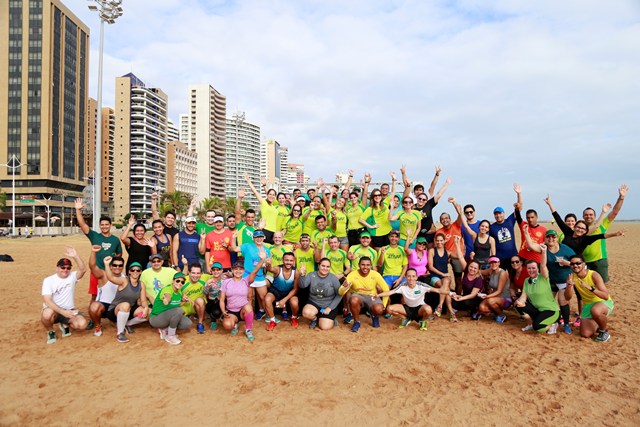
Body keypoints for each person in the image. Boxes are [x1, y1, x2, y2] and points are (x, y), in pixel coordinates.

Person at [522, 225, 576, 333]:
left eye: (553, 237)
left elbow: (577, 262)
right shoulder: (544, 248)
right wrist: (526, 233)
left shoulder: (565, 248)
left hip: (563, 280)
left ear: (557, 238)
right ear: (545, 239)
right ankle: (551, 321)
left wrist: (567, 263)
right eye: (548, 237)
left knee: (562, 300)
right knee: (546, 302)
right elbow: (532, 245)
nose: (551, 239)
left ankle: (566, 324)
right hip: (550, 280)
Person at [74, 198, 122, 306]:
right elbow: (83, 225)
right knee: (95, 295)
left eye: (107, 224)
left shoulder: (115, 240)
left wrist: (113, 264)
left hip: (110, 272)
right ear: (100, 225)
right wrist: (78, 210)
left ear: (110, 225)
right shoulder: (95, 236)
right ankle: (93, 318)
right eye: (102, 225)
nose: (104, 226)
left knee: (112, 294)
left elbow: (119, 254)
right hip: (96, 271)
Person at [41, 246, 88, 344]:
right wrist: (62, 312)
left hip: (69, 310)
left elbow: (83, 270)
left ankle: (64, 324)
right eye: (62, 267)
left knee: (82, 324)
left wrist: (76, 256)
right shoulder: (49, 280)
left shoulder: (72, 276)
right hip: (54, 310)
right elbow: (47, 300)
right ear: (57, 268)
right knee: (46, 315)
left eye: (68, 268)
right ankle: (50, 331)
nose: (65, 270)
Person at [582, 184, 628, 282]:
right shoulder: (580, 228)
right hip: (584, 262)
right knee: (586, 286)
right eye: (586, 215)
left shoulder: (602, 224)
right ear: (583, 216)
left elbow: (615, 212)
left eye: (591, 215)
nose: (588, 216)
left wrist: (621, 197)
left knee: (602, 285)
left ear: (594, 216)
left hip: (600, 260)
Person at [564, 255, 614, 342]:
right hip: (588, 305)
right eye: (572, 264)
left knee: (595, 311)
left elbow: (605, 296)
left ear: (583, 264)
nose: (575, 265)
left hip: (602, 302)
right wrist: (569, 286)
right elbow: (567, 298)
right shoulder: (571, 277)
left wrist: (591, 288)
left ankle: (604, 331)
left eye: (578, 263)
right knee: (585, 334)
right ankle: (598, 323)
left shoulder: (593, 275)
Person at [513, 244, 560, 334]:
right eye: (529, 268)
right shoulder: (527, 280)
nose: (531, 270)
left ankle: (553, 324)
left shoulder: (543, 277)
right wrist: (520, 302)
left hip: (551, 310)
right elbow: (523, 296)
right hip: (538, 310)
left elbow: (543, 265)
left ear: (538, 269)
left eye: (533, 268)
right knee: (517, 304)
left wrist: (544, 251)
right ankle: (530, 323)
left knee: (538, 327)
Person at [220, 256, 267, 342]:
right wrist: (223, 311)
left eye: (240, 269)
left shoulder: (246, 280)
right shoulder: (226, 282)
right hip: (231, 311)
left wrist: (262, 259)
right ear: (232, 270)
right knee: (227, 325)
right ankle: (235, 324)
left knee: (248, 307)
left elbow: (255, 270)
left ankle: (248, 329)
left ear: (243, 270)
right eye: (236, 269)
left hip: (243, 310)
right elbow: (222, 299)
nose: (238, 271)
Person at [228, 229, 271, 320]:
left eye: (260, 237)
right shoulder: (247, 246)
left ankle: (262, 311)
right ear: (253, 238)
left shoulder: (267, 250)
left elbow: (268, 264)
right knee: (249, 297)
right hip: (247, 275)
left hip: (259, 276)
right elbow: (235, 249)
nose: (258, 239)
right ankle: (248, 314)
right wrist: (233, 238)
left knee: (263, 296)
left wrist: (266, 262)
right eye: (256, 237)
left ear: (263, 238)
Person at [103, 256, 148, 343]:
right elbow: (111, 278)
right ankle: (120, 333)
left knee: (148, 312)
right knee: (125, 305)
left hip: (129, 310)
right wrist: (106, 265)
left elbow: (143, 300)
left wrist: (145, 308)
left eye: (138, 270)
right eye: (132, 270)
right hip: (115, 310)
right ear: (129, 271)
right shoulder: (124, 281)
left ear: (141, 272)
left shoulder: (141, 284)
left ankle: (127, 324)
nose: (135, 272)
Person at [339, 257, 390, 332]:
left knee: (379, 309)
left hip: (371, 296)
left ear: (371, 265)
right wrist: (344, 287)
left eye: (368, 265)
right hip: (358, 295)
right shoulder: (352, 275)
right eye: (363, 264)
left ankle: (374, 316)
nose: (365, 267)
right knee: (353, 300)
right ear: (358, 265)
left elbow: (386, 289)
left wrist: (384, 305)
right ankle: (356, 322)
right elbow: (340, 292)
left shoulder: (376, 274)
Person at [149, 272, 193, 345]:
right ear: (173, 280)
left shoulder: (179, 292)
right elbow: (168, 297)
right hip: (156, 318)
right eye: (177, 281)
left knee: (187, 323)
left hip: (166, 317)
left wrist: (184, 301)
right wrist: (166, 299)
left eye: (182, 282)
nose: (180, 283)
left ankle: (164, 330)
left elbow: (175, 305)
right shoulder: (168, 289)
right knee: (179, 311)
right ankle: (170, 336)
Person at [87, 248, 123, 337]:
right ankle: (98, 325)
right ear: (111, 266)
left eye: (120, 265)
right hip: (103, 304)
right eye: (115, 265)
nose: (117, 267)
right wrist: (93, 252)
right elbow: (92, 266)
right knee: (94, 307)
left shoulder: (124, 277)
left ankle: (115, 321)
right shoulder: (103, 275)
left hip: (115, 306)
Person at [299, 258, 343, 330]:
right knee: (306, 313)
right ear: (318, 266)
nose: (325, 268)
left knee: (325, 327)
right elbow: (302, 285)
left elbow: (339, 294)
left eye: (327, 266)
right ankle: (314, 319)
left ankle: (331, 319)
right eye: (323, 266)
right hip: (314, 303)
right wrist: (302, 275)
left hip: (328, 305)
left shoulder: (333, 278)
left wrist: (330, 308)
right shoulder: (311, 275)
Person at [489, 184, 522, 270]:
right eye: (496, 214)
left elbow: (519, 208)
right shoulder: (492, 227)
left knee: (513, 278)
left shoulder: (509, 221)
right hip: (500, 258)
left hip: (512, 256)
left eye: (500, 213)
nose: (498, 215)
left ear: (503, 214)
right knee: (501, 278)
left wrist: (519, 194)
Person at [264, 252, 300, 331]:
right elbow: (270, 269)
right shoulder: (278, 268)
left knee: (295, 302)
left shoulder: (296, 272)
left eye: (291, 260)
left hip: (289, 292)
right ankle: (272, 320)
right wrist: (268, 264)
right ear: (282, 260)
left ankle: (294, 317)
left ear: (294, 261)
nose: (288, 262)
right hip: (276, 291)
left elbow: (295, 289)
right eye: (286, 260)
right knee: (267, 299)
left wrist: (284, 300)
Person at [244, 173, 280, 244]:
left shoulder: (275, 207)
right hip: (265, 230)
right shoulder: (264, 203)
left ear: (275, 197)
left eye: (273, 195)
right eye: (270, 194)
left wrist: (265, 185)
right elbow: (255, 192)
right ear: (267, 195)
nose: (271, 196)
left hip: (274, 232)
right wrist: (248, 181)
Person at [478, 257, 512, 323]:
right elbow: (479, 272)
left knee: (490, 301)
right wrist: (472, 268)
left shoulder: (502, 273)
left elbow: (499, 291)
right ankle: (497, 312)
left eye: (495, 262)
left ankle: (501, 315)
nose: (493, 264)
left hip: (505, 298)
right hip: (494, 297)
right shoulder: (490, 271)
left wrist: (487, 296)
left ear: (499, 263)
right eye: (491, 263)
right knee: (482, 307)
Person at [427, 233, 453, 319]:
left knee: (446, 282)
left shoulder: (448, 252)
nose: (439, 242)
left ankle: (440, 306)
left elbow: (460, 256)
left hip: (445, 278)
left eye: (441, 240)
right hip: (434, 276)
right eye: (437, 240)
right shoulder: (431, 251)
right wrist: (442, 274)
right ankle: (451, 312)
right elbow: (430, 267)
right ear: (434, 241)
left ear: (445, 241)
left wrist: (456, 244)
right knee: (446, 288)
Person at [180, 262, 208, 334]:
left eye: (198, 273)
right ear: (189, 272)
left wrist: (228, 275)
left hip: (198, 304)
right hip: (186, 305)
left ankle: (200, 323)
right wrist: (181, 297)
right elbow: (173, 291)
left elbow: (216, 276)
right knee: (175, 314)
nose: (196, 275)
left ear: (201, 273)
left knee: (200, 300)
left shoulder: (204, 277)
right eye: (193, 273)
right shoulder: (182, 281)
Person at [203, 262, 224, 330]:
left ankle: (222, 315)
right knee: (216, 313)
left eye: (218, 270)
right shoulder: (209, 281)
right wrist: (208, 287)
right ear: (211, 271)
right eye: (214, 270)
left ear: (221, 271)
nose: (216, 272)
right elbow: (205, 292)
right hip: (212, 302)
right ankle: (213, 320)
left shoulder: (224, 280)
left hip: (222, 300)